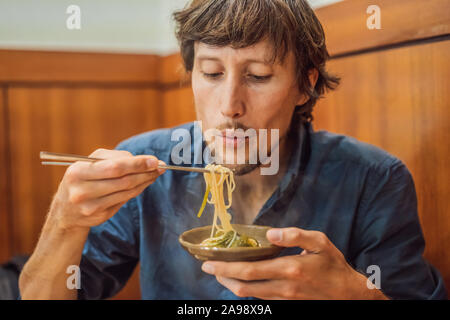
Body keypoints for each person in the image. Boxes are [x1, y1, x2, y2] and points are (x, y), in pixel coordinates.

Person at [19, 0, 446, 300]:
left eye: (258, 76)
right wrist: (64, 222)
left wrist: (357, 296)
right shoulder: (142, 163)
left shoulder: (373, 178)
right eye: (211, 73)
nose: (229, 107)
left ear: (307, 84)